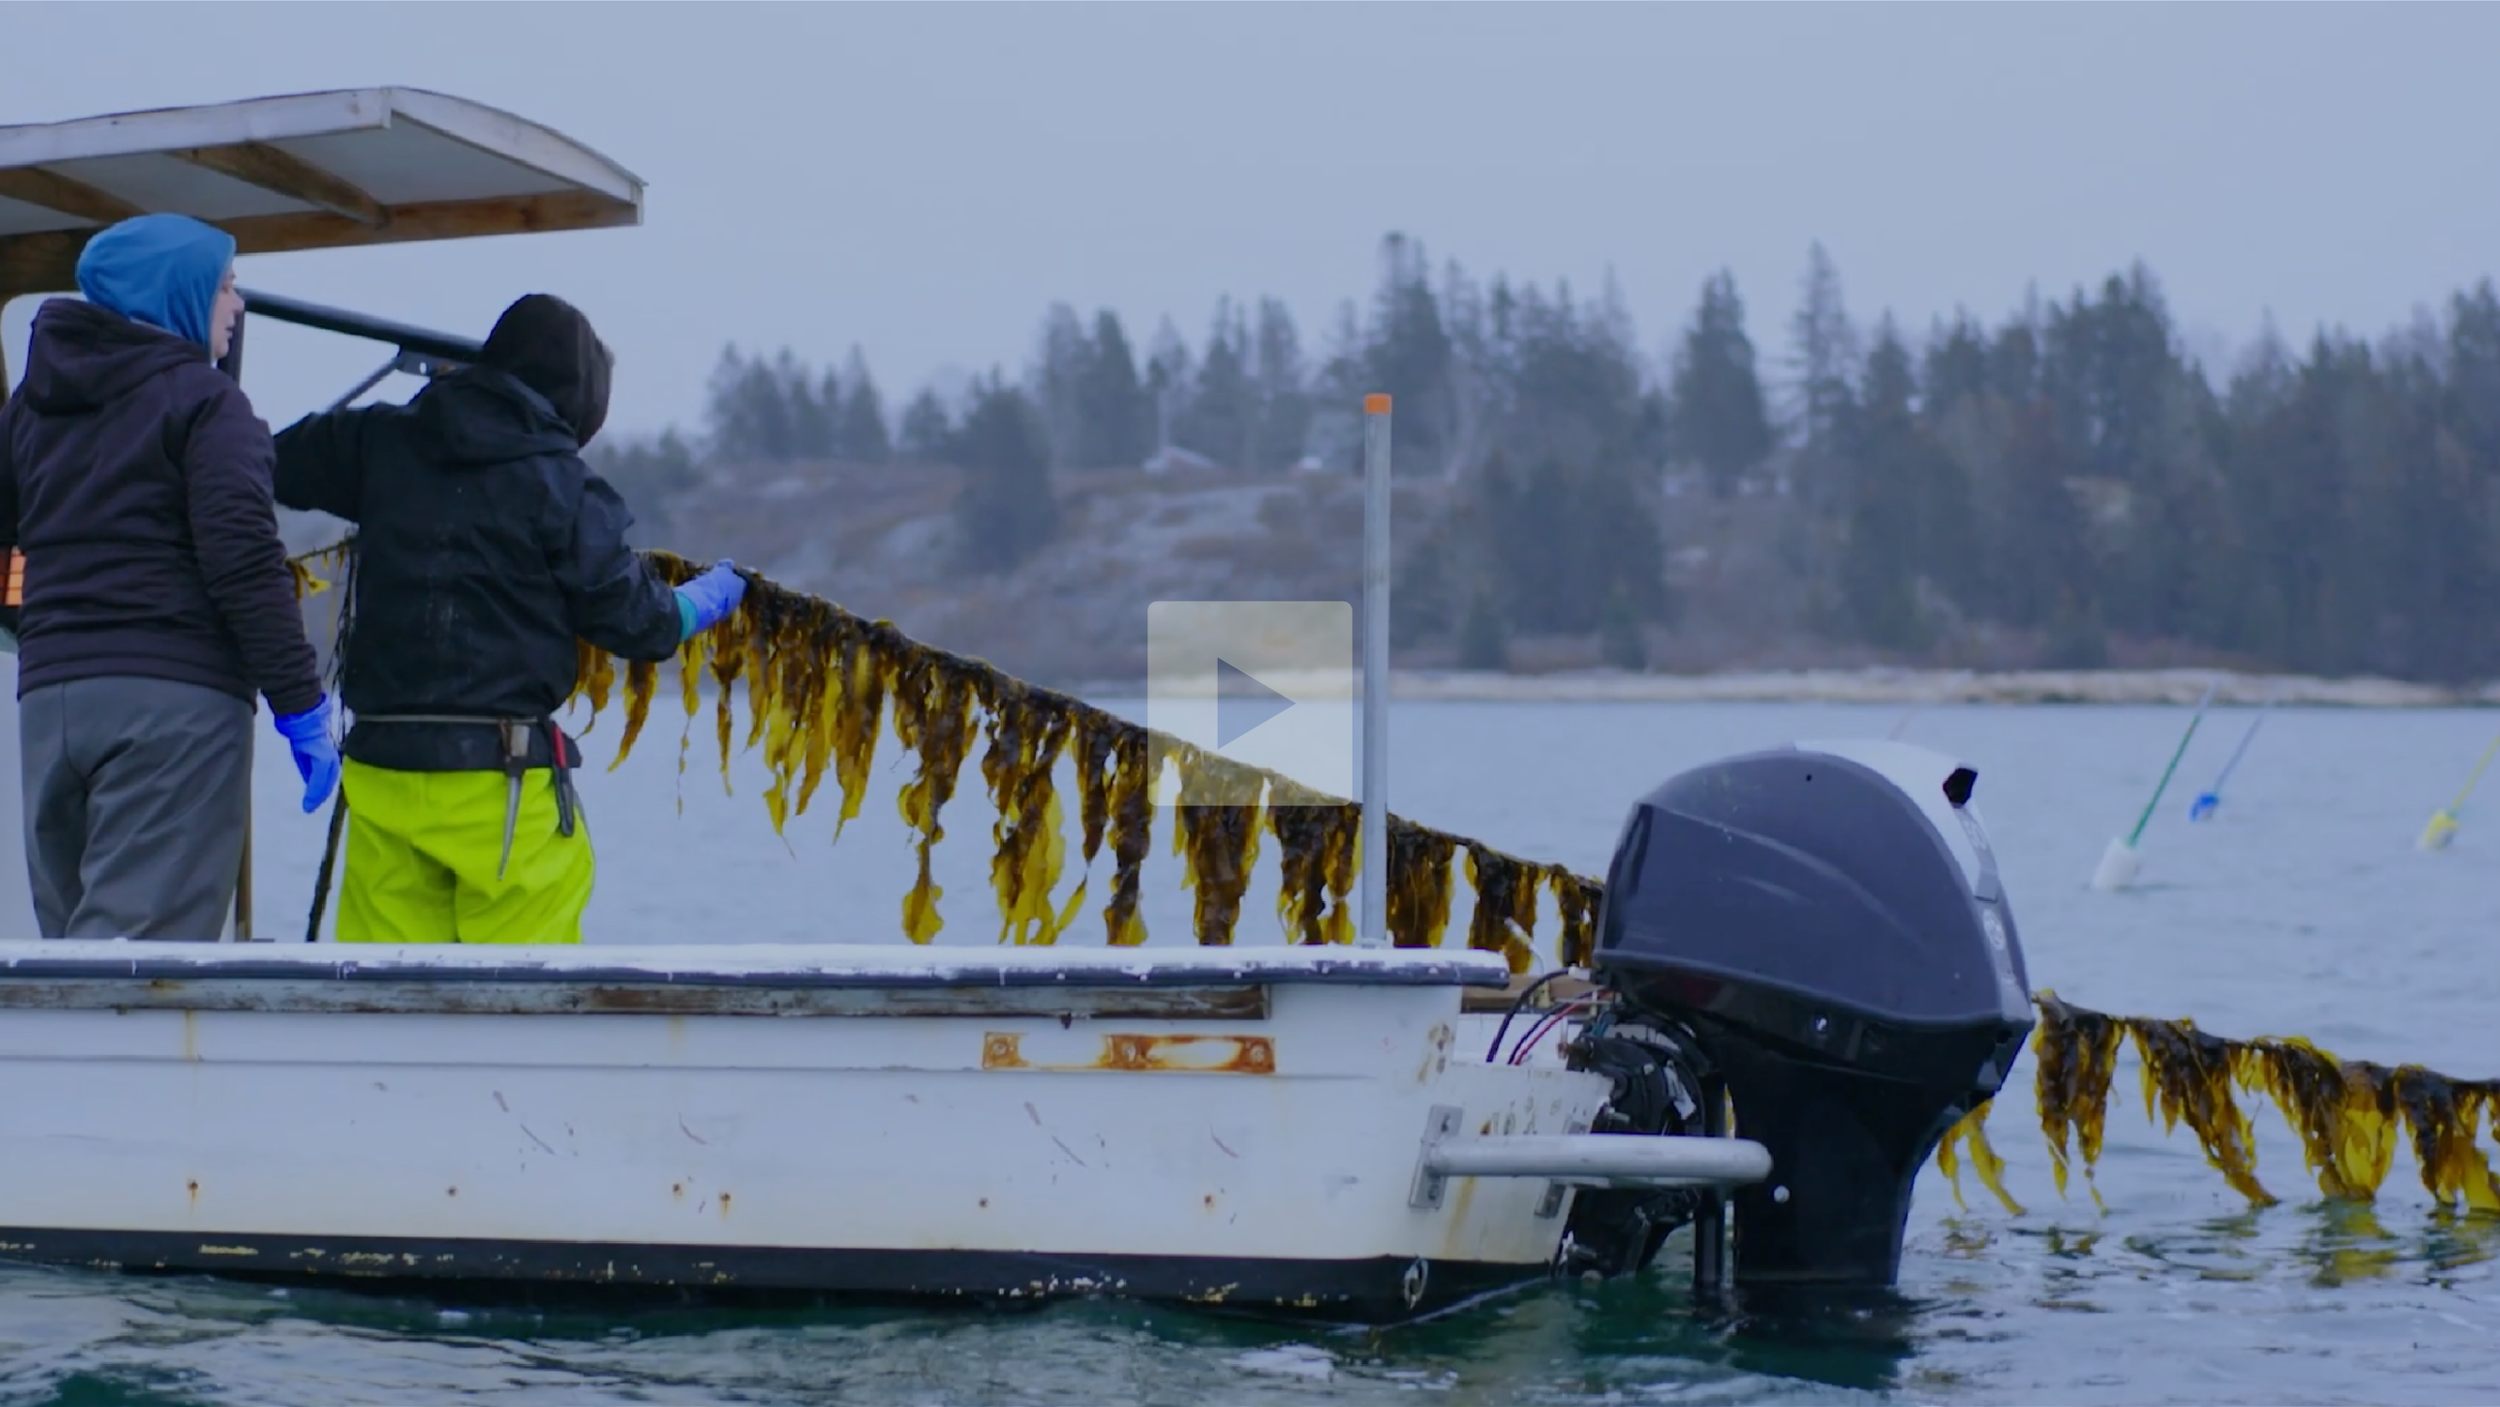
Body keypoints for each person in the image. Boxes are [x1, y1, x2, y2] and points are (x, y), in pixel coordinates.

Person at [272, 293, 746, 944]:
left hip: (382, 768)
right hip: (499, 785)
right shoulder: (563, 487)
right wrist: (700, 601)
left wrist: (435, 406)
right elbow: (641, 622)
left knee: (387, 1003)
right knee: (526, 1009)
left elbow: (269, 458)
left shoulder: (380, 442)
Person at [0, 213, 339, 939]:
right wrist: (300, 704)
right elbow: (242, 560)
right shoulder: (207, 404)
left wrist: (43, 627)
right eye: (224, 287)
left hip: (49, 706)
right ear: (175, 294)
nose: (237, 306)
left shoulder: (28, 408)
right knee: (135, 969)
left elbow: (6, 547)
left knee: (70, 956)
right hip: (171, 708)